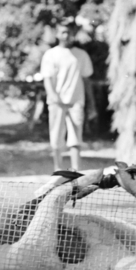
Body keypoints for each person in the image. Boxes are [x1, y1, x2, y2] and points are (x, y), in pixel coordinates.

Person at [40, 19, 95, 171]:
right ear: (57, 34)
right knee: (56, 137)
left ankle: (75, 170)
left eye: (69, 32)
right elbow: (47, 79)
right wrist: (53, 96)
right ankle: (58, 169)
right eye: (63, 32)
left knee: (75, 138)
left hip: (76, 101)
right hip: (57, 102)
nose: (66, 35)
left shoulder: (81, 55)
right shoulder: (51, 55)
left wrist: (91, 105)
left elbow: (86, 80)